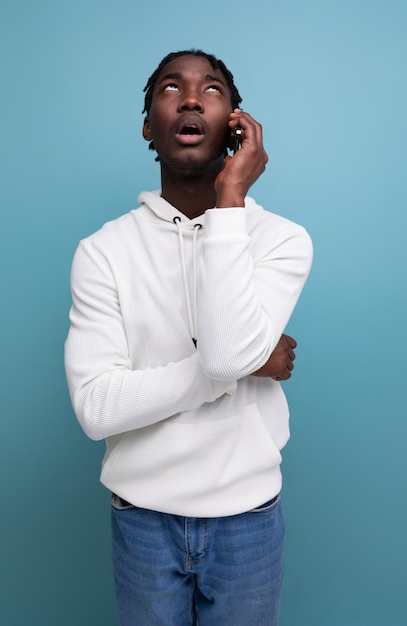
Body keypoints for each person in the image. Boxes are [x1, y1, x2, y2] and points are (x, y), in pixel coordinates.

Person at [64, 49, 313, 626]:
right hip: (142, 518)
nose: (193, 98)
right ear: (150, 125)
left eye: (213, 89)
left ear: (235, 124)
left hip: (248, 517)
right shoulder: (102, 252)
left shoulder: (281, 240)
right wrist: (243, 364)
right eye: (172, 87)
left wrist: (231, 202)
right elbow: (96, 409)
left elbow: (227, 354)